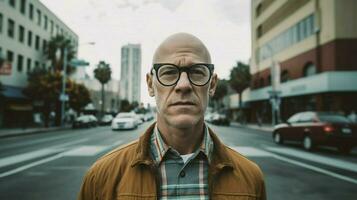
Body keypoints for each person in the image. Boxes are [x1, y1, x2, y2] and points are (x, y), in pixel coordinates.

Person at [77, 33, 266, 200]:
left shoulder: (251, 178)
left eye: (198, 72)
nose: (183, 85)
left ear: (213, 84)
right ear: (151, 84)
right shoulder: (101, 178)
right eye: (168, 72)